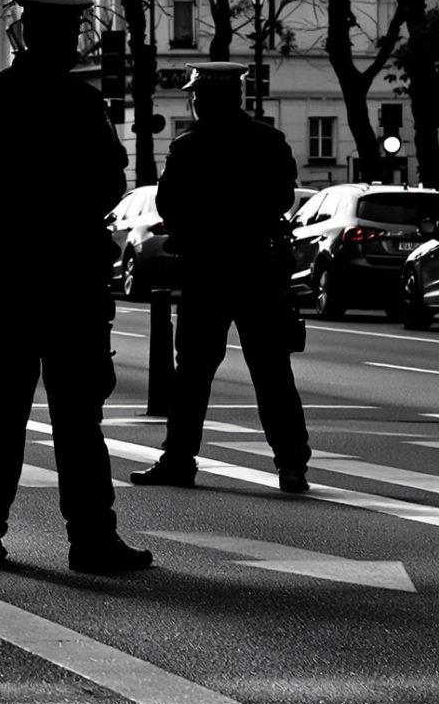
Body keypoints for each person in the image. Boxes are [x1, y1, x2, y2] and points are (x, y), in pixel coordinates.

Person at [0, 0, 150, 574]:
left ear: (21, 35)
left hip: (10, 268)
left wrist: (16, 204)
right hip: (69, 272)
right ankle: (90, 538)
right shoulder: (81, 102)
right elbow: (111, 181)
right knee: (79, 416)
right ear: (65, 40)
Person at [130, 62, 310, 493]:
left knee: (192, 372)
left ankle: (179, 458)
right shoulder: (270, 142)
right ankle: (291, 463)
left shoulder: (188, 147)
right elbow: (283, 197)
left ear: (203, 100)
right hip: (257, 268)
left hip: (206, 270)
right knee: (271, 371)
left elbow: (169, 205)